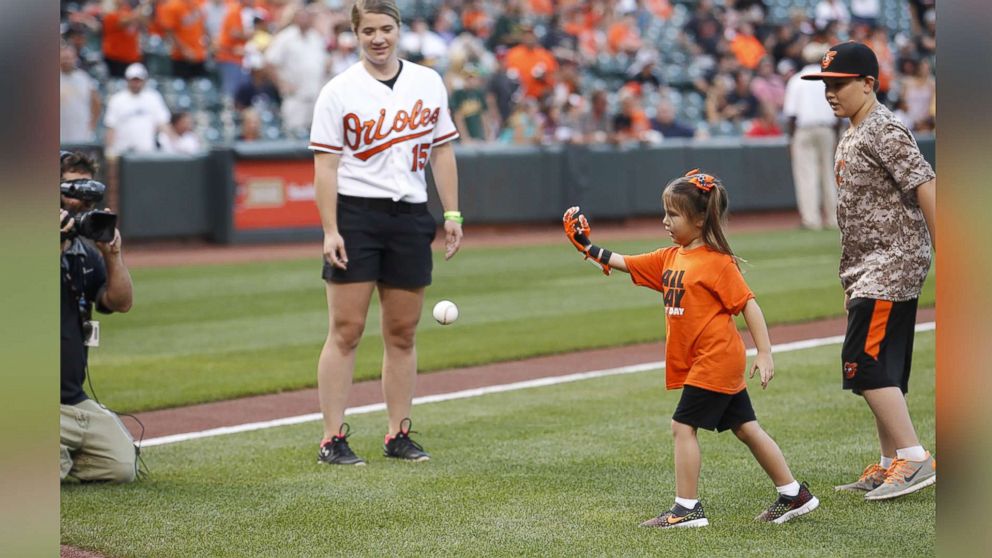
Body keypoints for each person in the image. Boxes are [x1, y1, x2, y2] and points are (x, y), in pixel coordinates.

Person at [561, 170, 819, 528]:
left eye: (674, 214)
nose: (665, 221)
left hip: (716, 360)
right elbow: (626, 262)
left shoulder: (716, 261)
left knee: (682, 426)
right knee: (746, 428)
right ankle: (794, 494)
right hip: (710, 361)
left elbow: (748, 304)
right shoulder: (671, 257)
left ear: (700, 219)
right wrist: (586, 245)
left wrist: (764, 352)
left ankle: (686, 509)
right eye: (665, 213)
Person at [308, 0, 463, 466]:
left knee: (402, 331)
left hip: (411, 214)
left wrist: (452, 214)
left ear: (399, 30)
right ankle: (332, 437)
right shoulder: (339, 91)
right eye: (369, 30)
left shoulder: (427, 81)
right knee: (346, 330)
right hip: (357, 214)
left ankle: (398, 432)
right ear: (355, 34)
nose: (378, 38)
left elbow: (442, 152)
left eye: (386, 29)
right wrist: (331, 228)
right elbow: (325, 166)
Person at [801, 42, 936, 501]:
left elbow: (925, 185)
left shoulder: (884, 128)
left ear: (868, 84)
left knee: (864, 364)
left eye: (839, 84)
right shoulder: (854, 130)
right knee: (886, 366)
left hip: (892, 262)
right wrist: (851, 280)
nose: (830, 93)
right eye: (825, 85)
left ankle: (915, 457)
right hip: (868, 268)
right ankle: (888, 463)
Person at [60, 151, 136, 483]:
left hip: (73, 399)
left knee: (122, 468)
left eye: (85, 192)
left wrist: (113, 257)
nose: (79, 202)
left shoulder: (84, 254)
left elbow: (119, 302)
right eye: (70, 191)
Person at [783, 42, 839, 229]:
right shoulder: (829, 79)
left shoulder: (797, 79)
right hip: (827, 129)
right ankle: (834, 218)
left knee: (807, 175)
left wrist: (791, 139)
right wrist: (837, 134)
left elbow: (791, 115)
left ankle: (811, 220)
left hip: (804, 129)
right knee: (830, 175)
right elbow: (838, 109)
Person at [103, 63, 171, 157]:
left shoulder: (153, 97)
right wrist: (109, 150)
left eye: (138, 80)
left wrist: (175, 144)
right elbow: (111, 127)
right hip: (122, 152)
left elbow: (163, 123)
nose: (136, 83)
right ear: (127, 80)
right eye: (133, 80)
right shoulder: (117, 99)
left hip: (147, 152)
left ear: (144, 81)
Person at [60, 43, 101, 144]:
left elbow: (96, 102)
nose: (66, 61)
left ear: (75, 59)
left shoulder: (84, 78)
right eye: (64, 58)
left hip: (81, 132)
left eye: (69, 58)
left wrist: (92, 125)